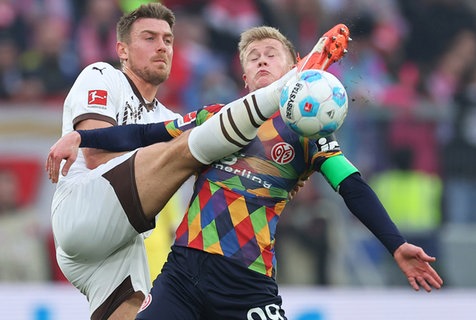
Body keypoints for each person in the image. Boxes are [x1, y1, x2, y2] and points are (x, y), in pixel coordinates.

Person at [58, 25, 443, 319]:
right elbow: (147, 133)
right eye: (253, 57)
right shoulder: (214, 118)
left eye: (270, 54)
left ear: (292, 65)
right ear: (244, 78)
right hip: (183, 272)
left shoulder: (309, 132)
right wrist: (80, 136)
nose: (261, 60)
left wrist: (394, 243)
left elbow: (352, 186)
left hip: (247, 281)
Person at [46, 3, 349, 320]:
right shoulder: (103, 75)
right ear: (121, 49)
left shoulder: (168, 119)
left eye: (167, 40)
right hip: (83, 211)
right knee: (193, 144)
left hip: (121, 244)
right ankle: (291, 83)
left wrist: (267, 171)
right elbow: (95, 155)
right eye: (149, 38)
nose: (161, 46)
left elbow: (210, 174)